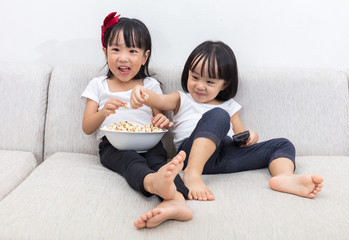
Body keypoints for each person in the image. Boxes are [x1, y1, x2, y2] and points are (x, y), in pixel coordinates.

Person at [130, 40, 324, 201]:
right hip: (191, 155)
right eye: (194, 77)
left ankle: (284, 177)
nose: (199, 86)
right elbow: (156, 99)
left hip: (226, 155)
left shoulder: (229, 105)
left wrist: (251, 137)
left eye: (210, 82)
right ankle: (193, 174)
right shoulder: (182, 99)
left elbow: (240, 136)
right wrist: (141, 93)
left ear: (225, 84)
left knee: (283, 144)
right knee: (218, 115)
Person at [81, 12, 192, 229]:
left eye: (132, 51)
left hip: (149, 143)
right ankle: (154, 185)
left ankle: (177, 202)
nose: (123, 57)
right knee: (132, 162)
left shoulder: (149, 85)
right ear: (105, 53)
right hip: (113, 147)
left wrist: (160, 120)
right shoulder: (99, 85)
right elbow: (87, 127)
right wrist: (103, 112)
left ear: (144, 57)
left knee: (163, 165)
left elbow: (158, 117)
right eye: (116, 49)